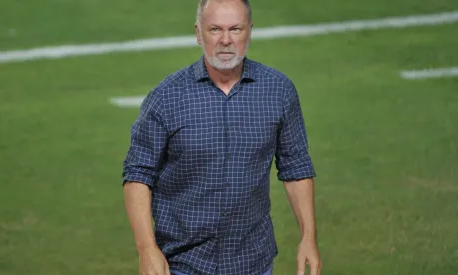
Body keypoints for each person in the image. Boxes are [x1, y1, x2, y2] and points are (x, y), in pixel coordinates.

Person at [121, 0, 322, 274]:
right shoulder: (166, 98)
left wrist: (308, 237)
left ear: (250, 31)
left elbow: (295, 168)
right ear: (197, 33)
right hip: (181, 264)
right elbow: (138, 174)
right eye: (214, 29)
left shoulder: (279, 91)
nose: (225, 40)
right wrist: (146, 248)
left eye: (235, 29)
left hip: (253, 263)